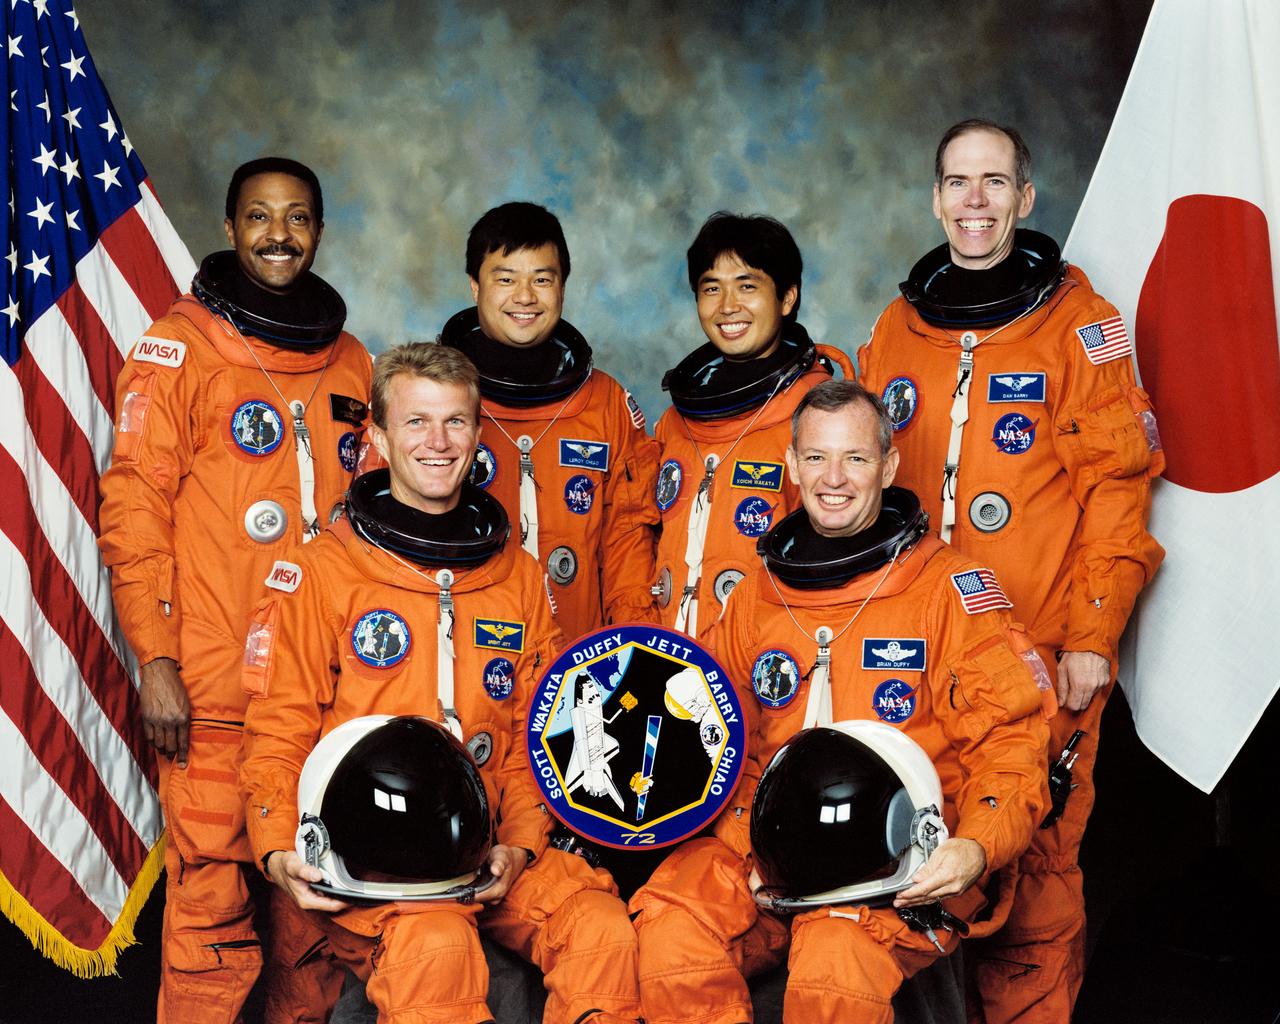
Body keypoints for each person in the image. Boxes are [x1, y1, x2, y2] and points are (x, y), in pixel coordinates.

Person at [856, 118, 1165, 1022]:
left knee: (1034, 880)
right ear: (936, 199)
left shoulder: (1080, 327)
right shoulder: (899, 326)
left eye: (995, 182)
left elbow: (1117, 488)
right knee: (910, 865)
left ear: (1025, 197)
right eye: (959, 182)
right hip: (920, 653)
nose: (976, 202)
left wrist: (1094, 636)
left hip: (1043, 650)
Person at [239, 344, 642, 1024]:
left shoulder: (517, 576)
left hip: (490, 843)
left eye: (455, 421)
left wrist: (520, 844)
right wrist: (279, 848)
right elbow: (278, 730)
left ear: (478, 433)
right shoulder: (325, 572)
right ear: (377, 436)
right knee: (437, 946)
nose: (438, 441)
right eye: (416, 421)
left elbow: (541, 735)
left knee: (601, 930)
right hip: (378, 856)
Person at [631, 380, 1050, 1024]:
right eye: (816, 457)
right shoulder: (756, 596)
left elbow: (1010, 742)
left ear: (888, 465)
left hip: (899, 854)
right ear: (792, 466)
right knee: (670, 931)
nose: (834, 479)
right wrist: (741, 838)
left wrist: (977, 845)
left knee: (834, 961)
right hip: (764, 846)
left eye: (855, 458)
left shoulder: (948, 590)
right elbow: (714, 735)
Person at [98, 157, 372, 1024]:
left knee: (311, 931)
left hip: (319, 699)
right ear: (228, 228)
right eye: (259, 216)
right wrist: (156, 659)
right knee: (210, 931)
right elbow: (134, 511)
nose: (278, 234)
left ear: (318, 231)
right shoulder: (180, 348)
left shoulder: (351, 362)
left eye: (297, 217)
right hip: (213, 693)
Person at [439, 202, 659, 642]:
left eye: (542, 279)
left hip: (577, 655)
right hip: (462, 651)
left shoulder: (605, 403)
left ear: (562, 288)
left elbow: (629, 544)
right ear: (474, 286)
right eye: (505, 279)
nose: (525, 297)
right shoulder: (432, 395)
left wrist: (633, 648)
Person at [651, 212, 854, 639]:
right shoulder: (675, 422)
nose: (728, 306)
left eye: (747, 286)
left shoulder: (822, 416)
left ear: (786, 298)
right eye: (711, 288)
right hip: (670, 651)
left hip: (768, 650)